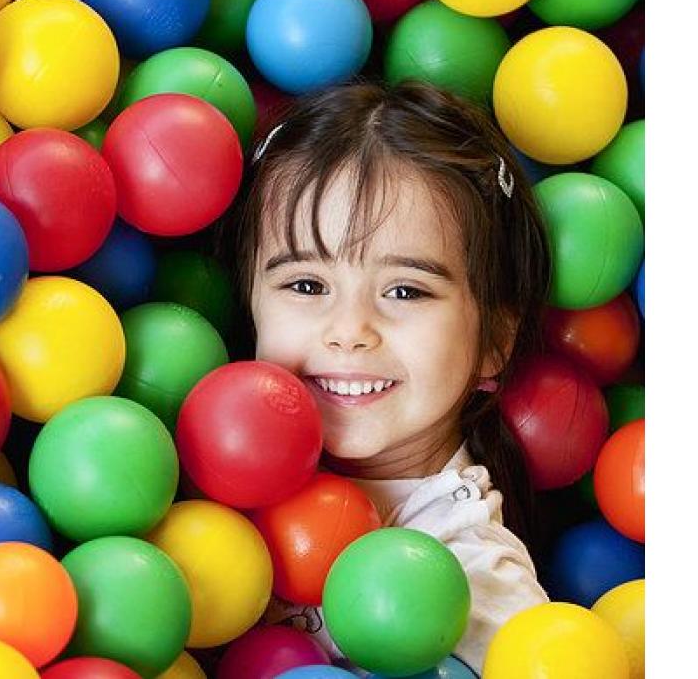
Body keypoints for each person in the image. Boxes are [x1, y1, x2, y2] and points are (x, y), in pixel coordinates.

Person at [212, 79, 551, 673]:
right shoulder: (205, 480)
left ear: (494, 340)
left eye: (405, 290)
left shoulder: (472, 582)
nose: (349, 330)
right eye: (307, 285)